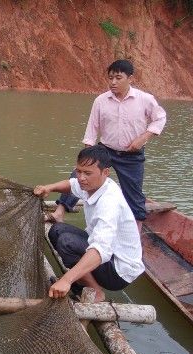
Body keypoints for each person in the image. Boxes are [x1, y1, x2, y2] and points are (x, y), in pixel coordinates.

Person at [46, 59, 167, 232]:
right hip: (106, 150)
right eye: (110, 78)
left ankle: (135, 234)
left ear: (130, 78)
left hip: (132, 155)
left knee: (134, 196)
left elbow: (160, 118)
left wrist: (144, 137)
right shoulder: (101, 101)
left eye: (118, 78)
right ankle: (60, 211)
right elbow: (92, 127)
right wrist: (86, 154)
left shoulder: (145, 99)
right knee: (79, 175)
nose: (113, 82)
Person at [34, 145, 144, 302]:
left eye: (87, 173)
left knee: (67, 243)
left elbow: (101, 250)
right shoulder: (93, 184)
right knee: (56, 230)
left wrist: (66, 280)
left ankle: (96, 292)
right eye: (78, 171)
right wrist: (48, 188)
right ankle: (81, 283)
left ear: (105, 172)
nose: (81, 178)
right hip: (108, 255)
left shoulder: (109, 202)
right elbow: (71, 185)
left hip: (119, 271)